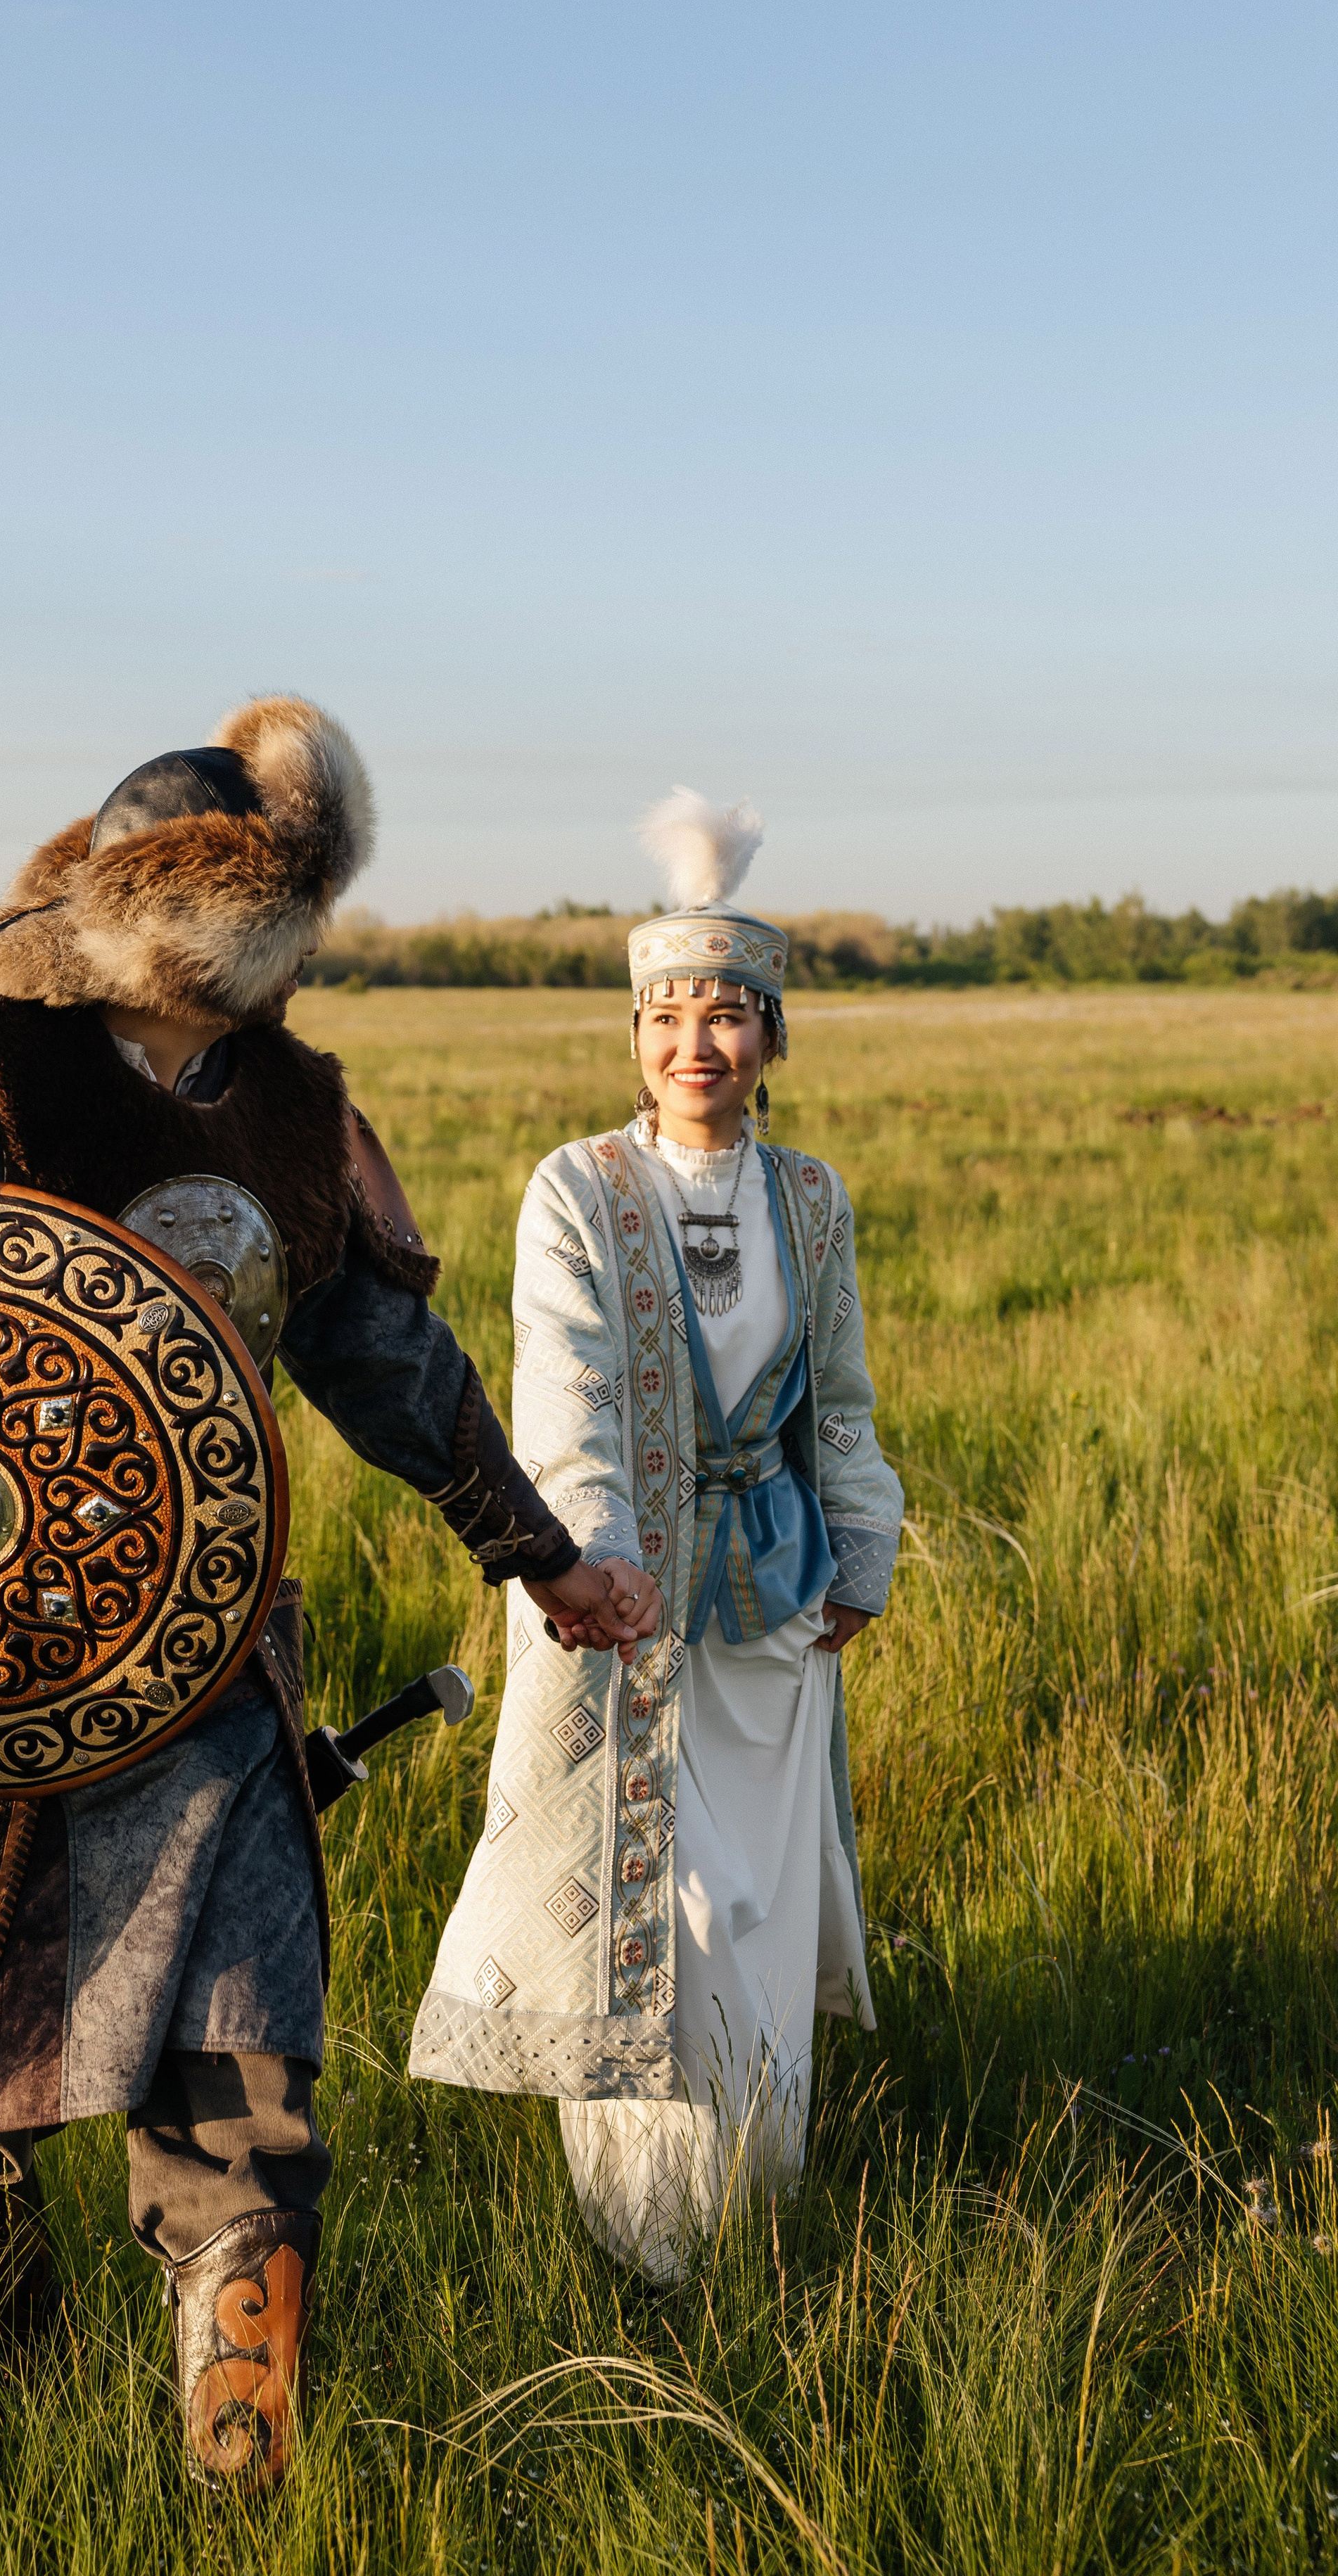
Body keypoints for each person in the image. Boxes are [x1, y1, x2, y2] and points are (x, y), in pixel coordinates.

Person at [0, 696, 662, 2475]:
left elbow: (382, 1355)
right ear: (177, 916)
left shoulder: (295, 1107)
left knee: (246, 2080)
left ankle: (239, 2487)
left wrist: (534, 1554)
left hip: (196, 1681)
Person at [410, 788, 901, 2278]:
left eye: (727, 1018)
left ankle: (757, 2211)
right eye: (666, 1019)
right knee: (654, 1912)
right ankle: (647, 2240)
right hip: (613, 1603)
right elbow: (562, 1402)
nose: (696, 1047)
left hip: (775, 1611)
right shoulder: (574, 1187)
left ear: (768, 1039)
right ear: (635, 1037)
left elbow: (840, 1398)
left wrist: (861, 1556)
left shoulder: (810, 1202)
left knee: (754, 1909)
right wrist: (598, 1568)